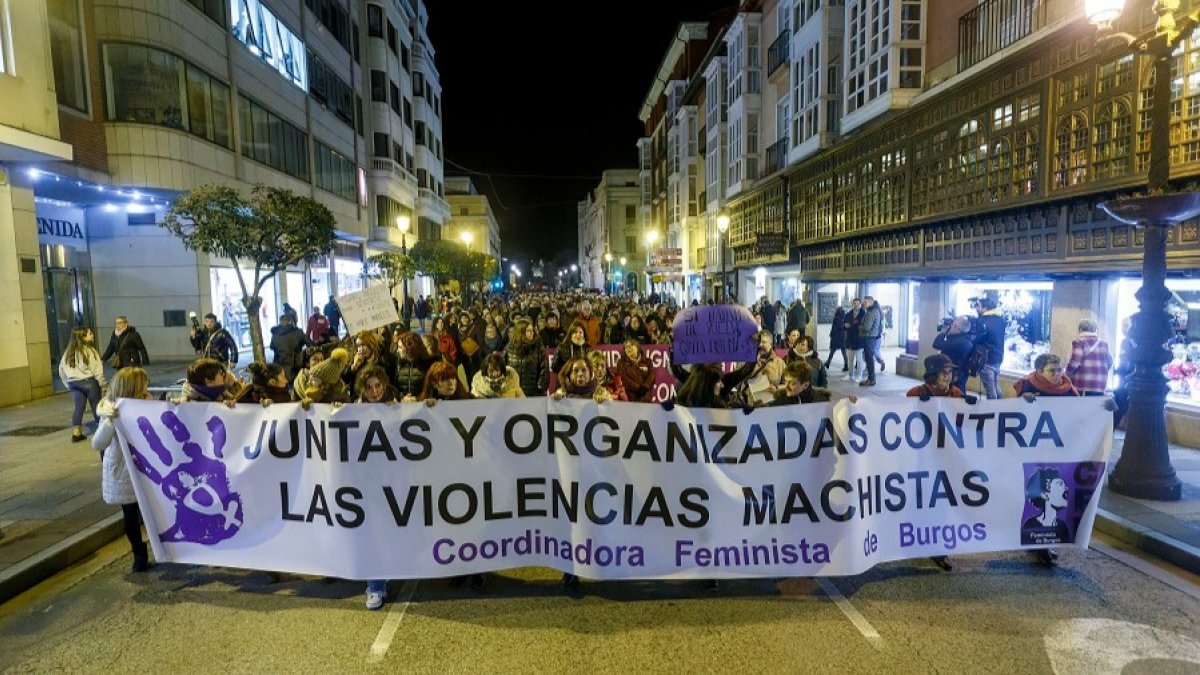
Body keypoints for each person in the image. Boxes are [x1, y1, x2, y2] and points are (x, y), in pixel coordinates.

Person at [905, 354, 967, 572]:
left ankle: (938, 547)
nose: (948, 377)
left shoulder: (956, 394)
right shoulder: (916, 394)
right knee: (922, 500)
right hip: (922, 459)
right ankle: (917, 536)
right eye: (944, 372)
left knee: (942, 502)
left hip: (947, 458)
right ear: (932, 374)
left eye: (950, 372)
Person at [91, 367, 153, 572]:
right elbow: (98, 443)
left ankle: (162, 548)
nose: (147, 391)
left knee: (153, 513)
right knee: (131, 517)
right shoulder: (109, 410)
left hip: (147, 468)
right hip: (124, 471)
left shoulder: (147, 402)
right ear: (131, 389)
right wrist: (109, 421)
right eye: (143, 388)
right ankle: (139, 553)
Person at [59, 327, 107, 442]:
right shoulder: (90, 351)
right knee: (96, 406)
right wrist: (103, 383)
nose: (92, 335)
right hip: (89, 382)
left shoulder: (68, 352)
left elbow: (61, 369)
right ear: (83, 337)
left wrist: (67, 383)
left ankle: (76, 434)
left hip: (73, 383)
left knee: (78, 407)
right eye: (90, 334)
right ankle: (101, 431)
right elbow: (97, 370)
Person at [1065, 319, 1113, 396]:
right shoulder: (1104, 343)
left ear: (1080, 329)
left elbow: (1075, 362)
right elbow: (1109, 362)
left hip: (1083, 384)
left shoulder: (1079, 342)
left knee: (1082, 407)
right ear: (1095, 329)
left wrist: (1066, 374)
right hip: (1100, 385)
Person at [505, 320, 549, 397]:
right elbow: (504, 370)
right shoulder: (509, 349)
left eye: (532, 330)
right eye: (528, 331)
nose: (532, 333)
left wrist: (540, 388)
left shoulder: (538, 348)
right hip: (513, 394)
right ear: (521, 332)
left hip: (534, 394)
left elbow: (544, 370)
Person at [974, 297, 1006, 399]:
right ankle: (1001, 406)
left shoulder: (983, 321)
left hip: (987, 359)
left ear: (985, 308)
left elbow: (977, 339)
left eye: (978, 306)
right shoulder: (1001, 320)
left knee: (990, 390)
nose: (976, 308)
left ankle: (993, 411)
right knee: (995, 385)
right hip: (998, 357)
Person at [933, 316, 974, 395]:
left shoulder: (956, 342)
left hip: (954, 375)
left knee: (956, 395)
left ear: (957, 328)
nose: (950, 326)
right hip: (961, 374)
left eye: (953, 324)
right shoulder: (967, 340)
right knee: (959, 393)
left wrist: (943, 332)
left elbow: (936, 344)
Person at [270, 314, 313, 382]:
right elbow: (311, 345)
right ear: (290, 321)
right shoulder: (298, 332)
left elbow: (272, 347)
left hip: (280, 368)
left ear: (280, 322)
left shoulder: (275, 334)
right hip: (297, 366)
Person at [1014, 354, 1080, 398]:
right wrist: (1024, 398)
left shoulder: (1066, 384)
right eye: (1052, 370)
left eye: (1059, 370)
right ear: (1039, 371)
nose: (1057, 374)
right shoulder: (1027, 384)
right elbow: (1019, 406)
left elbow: (1077, 404)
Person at [393, 332, 436, 399]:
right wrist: (401, 397)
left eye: (400, 347)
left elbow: (433, 389)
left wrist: (417, 399)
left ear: (410, 347)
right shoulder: (399, 364)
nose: (398, 350)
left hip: (423, 406)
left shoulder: (429, 364)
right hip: (404, 405)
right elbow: (395, 388)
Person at [858, 296, 883, 387]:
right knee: (869, 359)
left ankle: (871, 379)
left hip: (869, 338)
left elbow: (866, 327)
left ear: (870, 302)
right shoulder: (872, 311)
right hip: (870, 337)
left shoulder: (871, 312)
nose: (863, 304)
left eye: (865, 302)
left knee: (869, 359)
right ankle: (871, 378)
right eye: (863, 302)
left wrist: (859, 326)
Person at [844, 299, 864, 382]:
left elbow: (863, 326)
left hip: (859, 340)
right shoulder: (848, 314)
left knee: (859, 360)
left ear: (860, 305)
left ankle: (859, 375)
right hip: (849, 340)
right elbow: (843, 324)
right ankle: (850, 375)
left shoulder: (863, 314)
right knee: (850, 360)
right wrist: (845, 325)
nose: (856, 305)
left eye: (858, 304)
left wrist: (852, 324)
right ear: (852, 304)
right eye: (854, 304)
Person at [824, 306, 848, 371]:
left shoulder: (836, 318)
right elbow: (843, 327)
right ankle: (846, 365)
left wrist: (831, 334)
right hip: (842, 336)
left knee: (832, 351)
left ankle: (828, 363)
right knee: (843, 352)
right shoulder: (844, 317)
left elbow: (834, 328)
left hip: (836, 337)